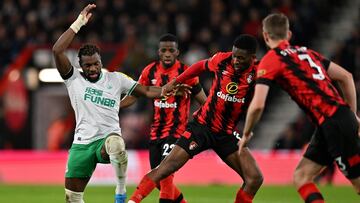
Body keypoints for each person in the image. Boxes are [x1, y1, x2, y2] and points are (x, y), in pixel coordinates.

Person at [52, 4, 189, 203]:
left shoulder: (116, 79)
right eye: (88, 65)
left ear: (101, 61)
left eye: (96, 63)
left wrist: (166, 89)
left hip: (106, 141)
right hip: (81, 144)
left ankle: (121, 189)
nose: (93, 68)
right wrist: (79, 22)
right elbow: (57, 50)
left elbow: (146, 91)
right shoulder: (74, 79)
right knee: (72, 198)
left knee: (115, 143)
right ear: (80, 66)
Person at [128, 34, 263, 203]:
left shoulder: (259, 72)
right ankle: (133, 201)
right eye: (234, 55)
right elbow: (199, 66)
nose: (235, 60)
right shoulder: (222, 59)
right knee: (165, 169)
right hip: (202, 127)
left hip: (226, 133)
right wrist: (175, 82)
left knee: (255, 178)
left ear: (253, 58)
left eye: (241, 58)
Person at [239, 13, 360, 203]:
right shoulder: (307, 53)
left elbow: (257, 105)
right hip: (330, 122)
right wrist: (351, 115)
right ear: (288, 34)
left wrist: (246, 135)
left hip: (333, 122)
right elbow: (346, 77)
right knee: (301, 176)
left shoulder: (271, 59)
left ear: (265, 35)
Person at [120, 33, 207, 203]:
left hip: (177, 132)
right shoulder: (149, 71)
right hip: (156, 133)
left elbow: (204, 101)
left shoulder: (187, 73)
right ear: (159, 52)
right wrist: (114, 105)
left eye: (171, 50)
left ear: (177, 52)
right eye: (164, 50)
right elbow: (135, 95)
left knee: (165, 174)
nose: (167, 53)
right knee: (158, 179)